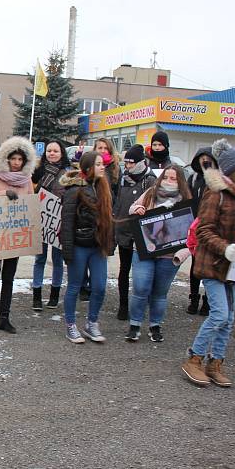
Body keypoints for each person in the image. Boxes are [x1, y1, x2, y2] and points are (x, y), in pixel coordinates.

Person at [181, 139, 235, 387]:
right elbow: (204, 230)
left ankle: (215, 362)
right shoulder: (215, 192)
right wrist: (226, 248)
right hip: (213, 264)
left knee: (228, 319)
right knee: (219, 314)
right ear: (234, 169)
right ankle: (194, 358)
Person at [125, 166, 191, 342]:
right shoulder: (150, 193)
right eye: (166, 177)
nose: (169, 181)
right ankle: (135, 324)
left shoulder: (186, 200)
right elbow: (131, 208)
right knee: (140, 287)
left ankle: (155, 325)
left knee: (160, 292)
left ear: (180, 182)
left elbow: (192, 235)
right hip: (144, 250)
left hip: (169, 256)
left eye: (173, 178)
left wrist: (182, 255)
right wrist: (138, 209)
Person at [0, 136, 36, 333]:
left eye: (20, 160)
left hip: (15, 235)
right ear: (6, 159)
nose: (16, 163)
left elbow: (29, 205)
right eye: (13, 159)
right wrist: (2, 195)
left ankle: (5, 317)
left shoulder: (27, 180)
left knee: (9, 277)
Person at [59, 151, 115, 344]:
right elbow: (66, 222)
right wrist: (67, 250)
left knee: (99, 286)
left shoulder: (103, 187)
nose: (102, 167)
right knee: (74, 286)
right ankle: (70, 325)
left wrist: (109, 243)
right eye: (98, 164)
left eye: (103, 164)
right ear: (88, 167)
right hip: (79, 245)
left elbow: (109, 219)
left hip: (98, 245)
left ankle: (92, 323)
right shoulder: (74, 189)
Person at [113, 144, 156, 321]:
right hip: (124, 230)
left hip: (142, 234)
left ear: (140, 162)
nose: (128, 166)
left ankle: (142, 304)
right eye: (126, 163)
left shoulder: (150, 179)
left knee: (142, 272)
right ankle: (123, 305)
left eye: (131, 163)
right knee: (124, 269)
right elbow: (118, 200)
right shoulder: (124, 177)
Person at [30, 140, 70, 310]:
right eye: (49, 151)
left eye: (55, 151)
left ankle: (54, 295)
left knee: (57, 260)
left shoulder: (68, 173)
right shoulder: (36, 172)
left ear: (62, 153)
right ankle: (37, 295)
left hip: (58, 222)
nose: (52, 153)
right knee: (39, 258)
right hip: (40, 221)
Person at [186, 147, 218, 316]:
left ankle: (207, 301)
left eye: (208, 158)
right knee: (194, 266)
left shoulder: (218, 179)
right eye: (202, 158)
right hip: (194, 228)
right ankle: (194, 298)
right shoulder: (193, 178)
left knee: (209, 266)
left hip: (211, 227)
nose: (205, 161)